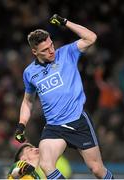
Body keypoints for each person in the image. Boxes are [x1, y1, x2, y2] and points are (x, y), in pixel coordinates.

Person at [15, 14, 114, 179]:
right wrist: (21, 124)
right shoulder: (29, 73)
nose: (51, 50)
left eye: (51, 45)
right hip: (54, 127)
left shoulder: (67, 53)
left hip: (77, 122)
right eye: (45, 50)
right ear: (34, 51)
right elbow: (28, 101)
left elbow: (91, 38)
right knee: (46, 165)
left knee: (97, 170)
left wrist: (65, 22)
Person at [7, 143, 72, 179]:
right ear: (23, 158)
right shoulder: (20, 164)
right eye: (30, 149)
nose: (35, 149)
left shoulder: (37, 176)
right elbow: (14, 174)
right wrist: (22, 170)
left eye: (34, 147)